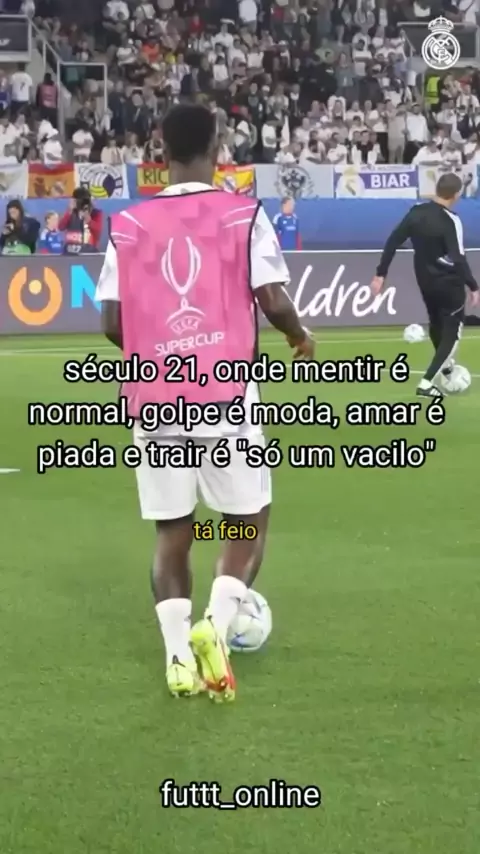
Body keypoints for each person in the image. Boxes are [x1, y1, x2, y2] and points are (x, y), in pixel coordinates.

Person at [95, 104, 313, 702]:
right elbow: (272, 299)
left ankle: (176, 658)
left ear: (160, 152)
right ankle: (214, 627)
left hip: (153, 396)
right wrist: (299, 336)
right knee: (248, 519)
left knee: (172, 529)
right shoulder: (243, 214)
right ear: (218, 149)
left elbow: (112, 322)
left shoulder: (127, 224)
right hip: (225, 393)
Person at [371, 173, 479, 397]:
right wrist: (473, 285)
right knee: (451, 333)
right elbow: (458, 257)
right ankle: (427, 383)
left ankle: (446, 368)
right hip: (449, 284)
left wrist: (381, 273)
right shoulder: (451, 220)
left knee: (436, 324)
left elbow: (393, 240)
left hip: (425, 282)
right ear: (456, 195)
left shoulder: (416, 212)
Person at [58, 187, 103, 254]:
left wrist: (88, 220)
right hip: (70, 251)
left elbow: (98, 231)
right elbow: (61, 227)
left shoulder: (95, 213)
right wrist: (69, 211)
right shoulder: (71, 212)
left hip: (89, 251)